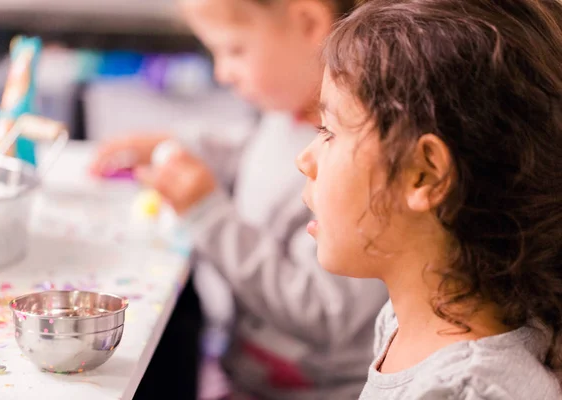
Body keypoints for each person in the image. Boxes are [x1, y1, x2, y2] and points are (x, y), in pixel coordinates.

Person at [91, 0, 388, 398]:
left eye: (234, 50)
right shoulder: (288, 113)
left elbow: (325, 312)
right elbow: (253, 150)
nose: (222, 73)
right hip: (249, 370)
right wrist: (177, 145)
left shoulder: (358, 163)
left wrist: (208, 215)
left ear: (307, 23)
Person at [296, 0, 562, 398]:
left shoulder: (469, 390)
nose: (304, 160)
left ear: (425, 175)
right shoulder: (409, 320)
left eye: (329, 131)